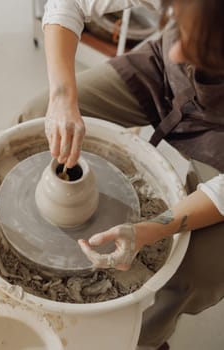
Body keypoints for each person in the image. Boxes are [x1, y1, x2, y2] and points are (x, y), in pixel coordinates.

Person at [20, 0, 224, 348]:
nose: (178, 51)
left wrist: (156, 227)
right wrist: (62, 97)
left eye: (195, 48)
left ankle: (140, 339)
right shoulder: (175, 50)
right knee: (37, 116)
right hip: (162, 77)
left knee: (197, 271)